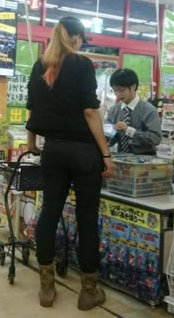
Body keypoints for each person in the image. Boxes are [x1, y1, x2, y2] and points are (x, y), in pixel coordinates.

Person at [26, 16, 115, 310]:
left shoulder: (40, 66)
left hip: (53, 151)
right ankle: (88, 291)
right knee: (86, 219)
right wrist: (105, 154)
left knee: (49, 214)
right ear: (76, 38)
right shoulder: (81, 64)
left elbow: (32, 110)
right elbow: (90, 112)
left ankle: (47, 287)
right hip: (84, 155)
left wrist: (31, 145)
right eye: (82, 39)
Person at [106, 68, 161, 154]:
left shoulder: (149, 110)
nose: (118, 94)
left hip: (144, 161)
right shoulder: (113, 110)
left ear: (133, 87)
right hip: (121, 159)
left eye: (121, 90)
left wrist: (129, 130)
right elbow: (108, 140)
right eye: (115, 90)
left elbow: (156, 138)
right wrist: (108, 134)